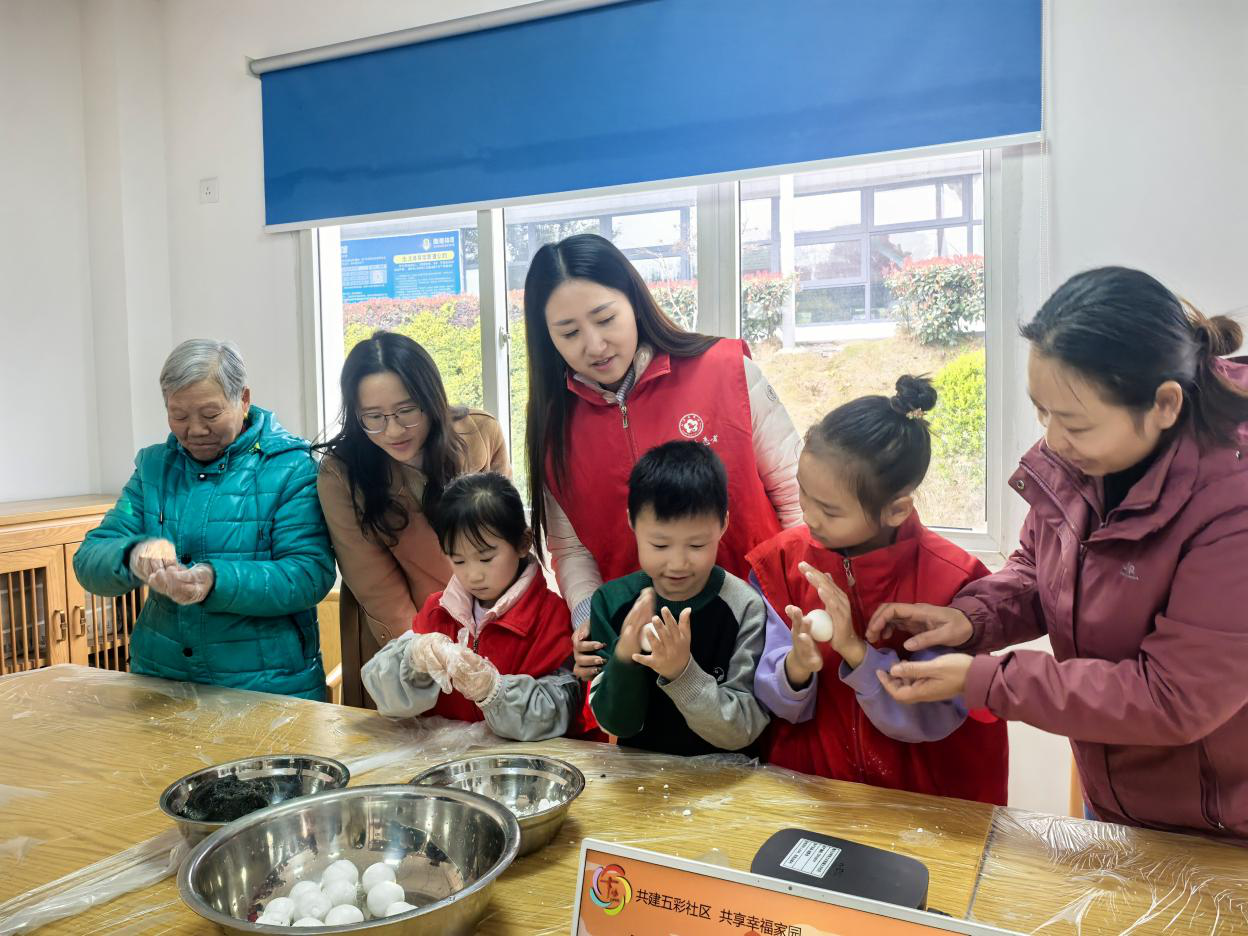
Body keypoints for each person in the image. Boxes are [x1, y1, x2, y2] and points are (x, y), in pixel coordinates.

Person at [868, 267, 1248, 838]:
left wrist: (988, 681)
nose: (1051, 439)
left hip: (1222, 826)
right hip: (1121, 794)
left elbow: (1174, 696)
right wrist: (972, 618)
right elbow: (1041, 565)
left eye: (1073, 423)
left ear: (1165, 404)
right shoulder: (1086, 457)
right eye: (1041, 412)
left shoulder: (1232, 505)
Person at [522, 233, 802, 682]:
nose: (594, 345)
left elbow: (795, 495)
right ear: (546, 337)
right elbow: (571, 548)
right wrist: (590, 622)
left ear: (634, 302)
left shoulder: (726, 370)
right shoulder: (553, 426)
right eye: (569, 333)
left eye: (605, 319)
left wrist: (796, 601)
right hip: (651, 655)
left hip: (765, 632)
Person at [749, 377, 1008, 804]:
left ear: (896, 509)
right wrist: (794, 669)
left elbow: (930, 716)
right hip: (819, 797)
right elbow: (773, 703)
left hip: (928, 803)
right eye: (803, 493)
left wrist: (857, 652)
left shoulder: (955, 583)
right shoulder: (780, 566)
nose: (808, 517)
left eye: (829, 510)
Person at [72, 339, 335, 699]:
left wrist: (214, 580)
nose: (194, 430)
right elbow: (90, 558)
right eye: (179, 416)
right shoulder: (154, 468)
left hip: (267, 689)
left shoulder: (291, 467)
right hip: (162, 681)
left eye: (211, 415)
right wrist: (132, 555)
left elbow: (307, 575)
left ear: (243, 399)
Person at [316, 331, 508, 660]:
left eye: (406, 411)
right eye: (373, 417)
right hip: (404, 641)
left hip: (493, 623)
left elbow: (506, 542)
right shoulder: (341, 474)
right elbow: (378, 589)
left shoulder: (479, 433)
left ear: (431, 400)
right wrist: (433, 657)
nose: (393, 431)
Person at [360, 472, 580, 740]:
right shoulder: (438, 611)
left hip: (517, 762)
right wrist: (413, 657)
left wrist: (495, 691)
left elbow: (559, 710)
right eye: (459, 561)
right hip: (446, 759)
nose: (473, 575)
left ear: (523, 543)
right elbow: (383, 693)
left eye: (486, 558)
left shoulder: (552, 617)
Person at [587, 441, 770, 756]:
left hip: (728, 777)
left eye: (697, 545)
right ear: (632, 522)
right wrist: (625, 657)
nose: (678, 563)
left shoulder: (745, 607)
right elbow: (616, 725)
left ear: (723, 525)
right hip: (641, 776)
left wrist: (683, 672)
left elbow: (743, 729)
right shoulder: (611, 602)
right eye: (660, 545)